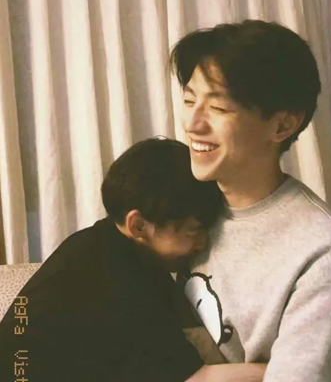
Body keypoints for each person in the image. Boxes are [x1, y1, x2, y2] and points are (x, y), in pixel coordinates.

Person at [170, 20, 331, 382]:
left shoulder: (322, 247)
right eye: (188, 100)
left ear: (282, 126)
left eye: (218, 108)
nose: (192, 123)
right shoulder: (179, 199)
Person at [0, 138, 267, 382]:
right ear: (138, 225)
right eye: (193, 231)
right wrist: (281, 366)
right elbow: (197, 379)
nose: (203, 243)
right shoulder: (119, 279)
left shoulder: (98, 242)